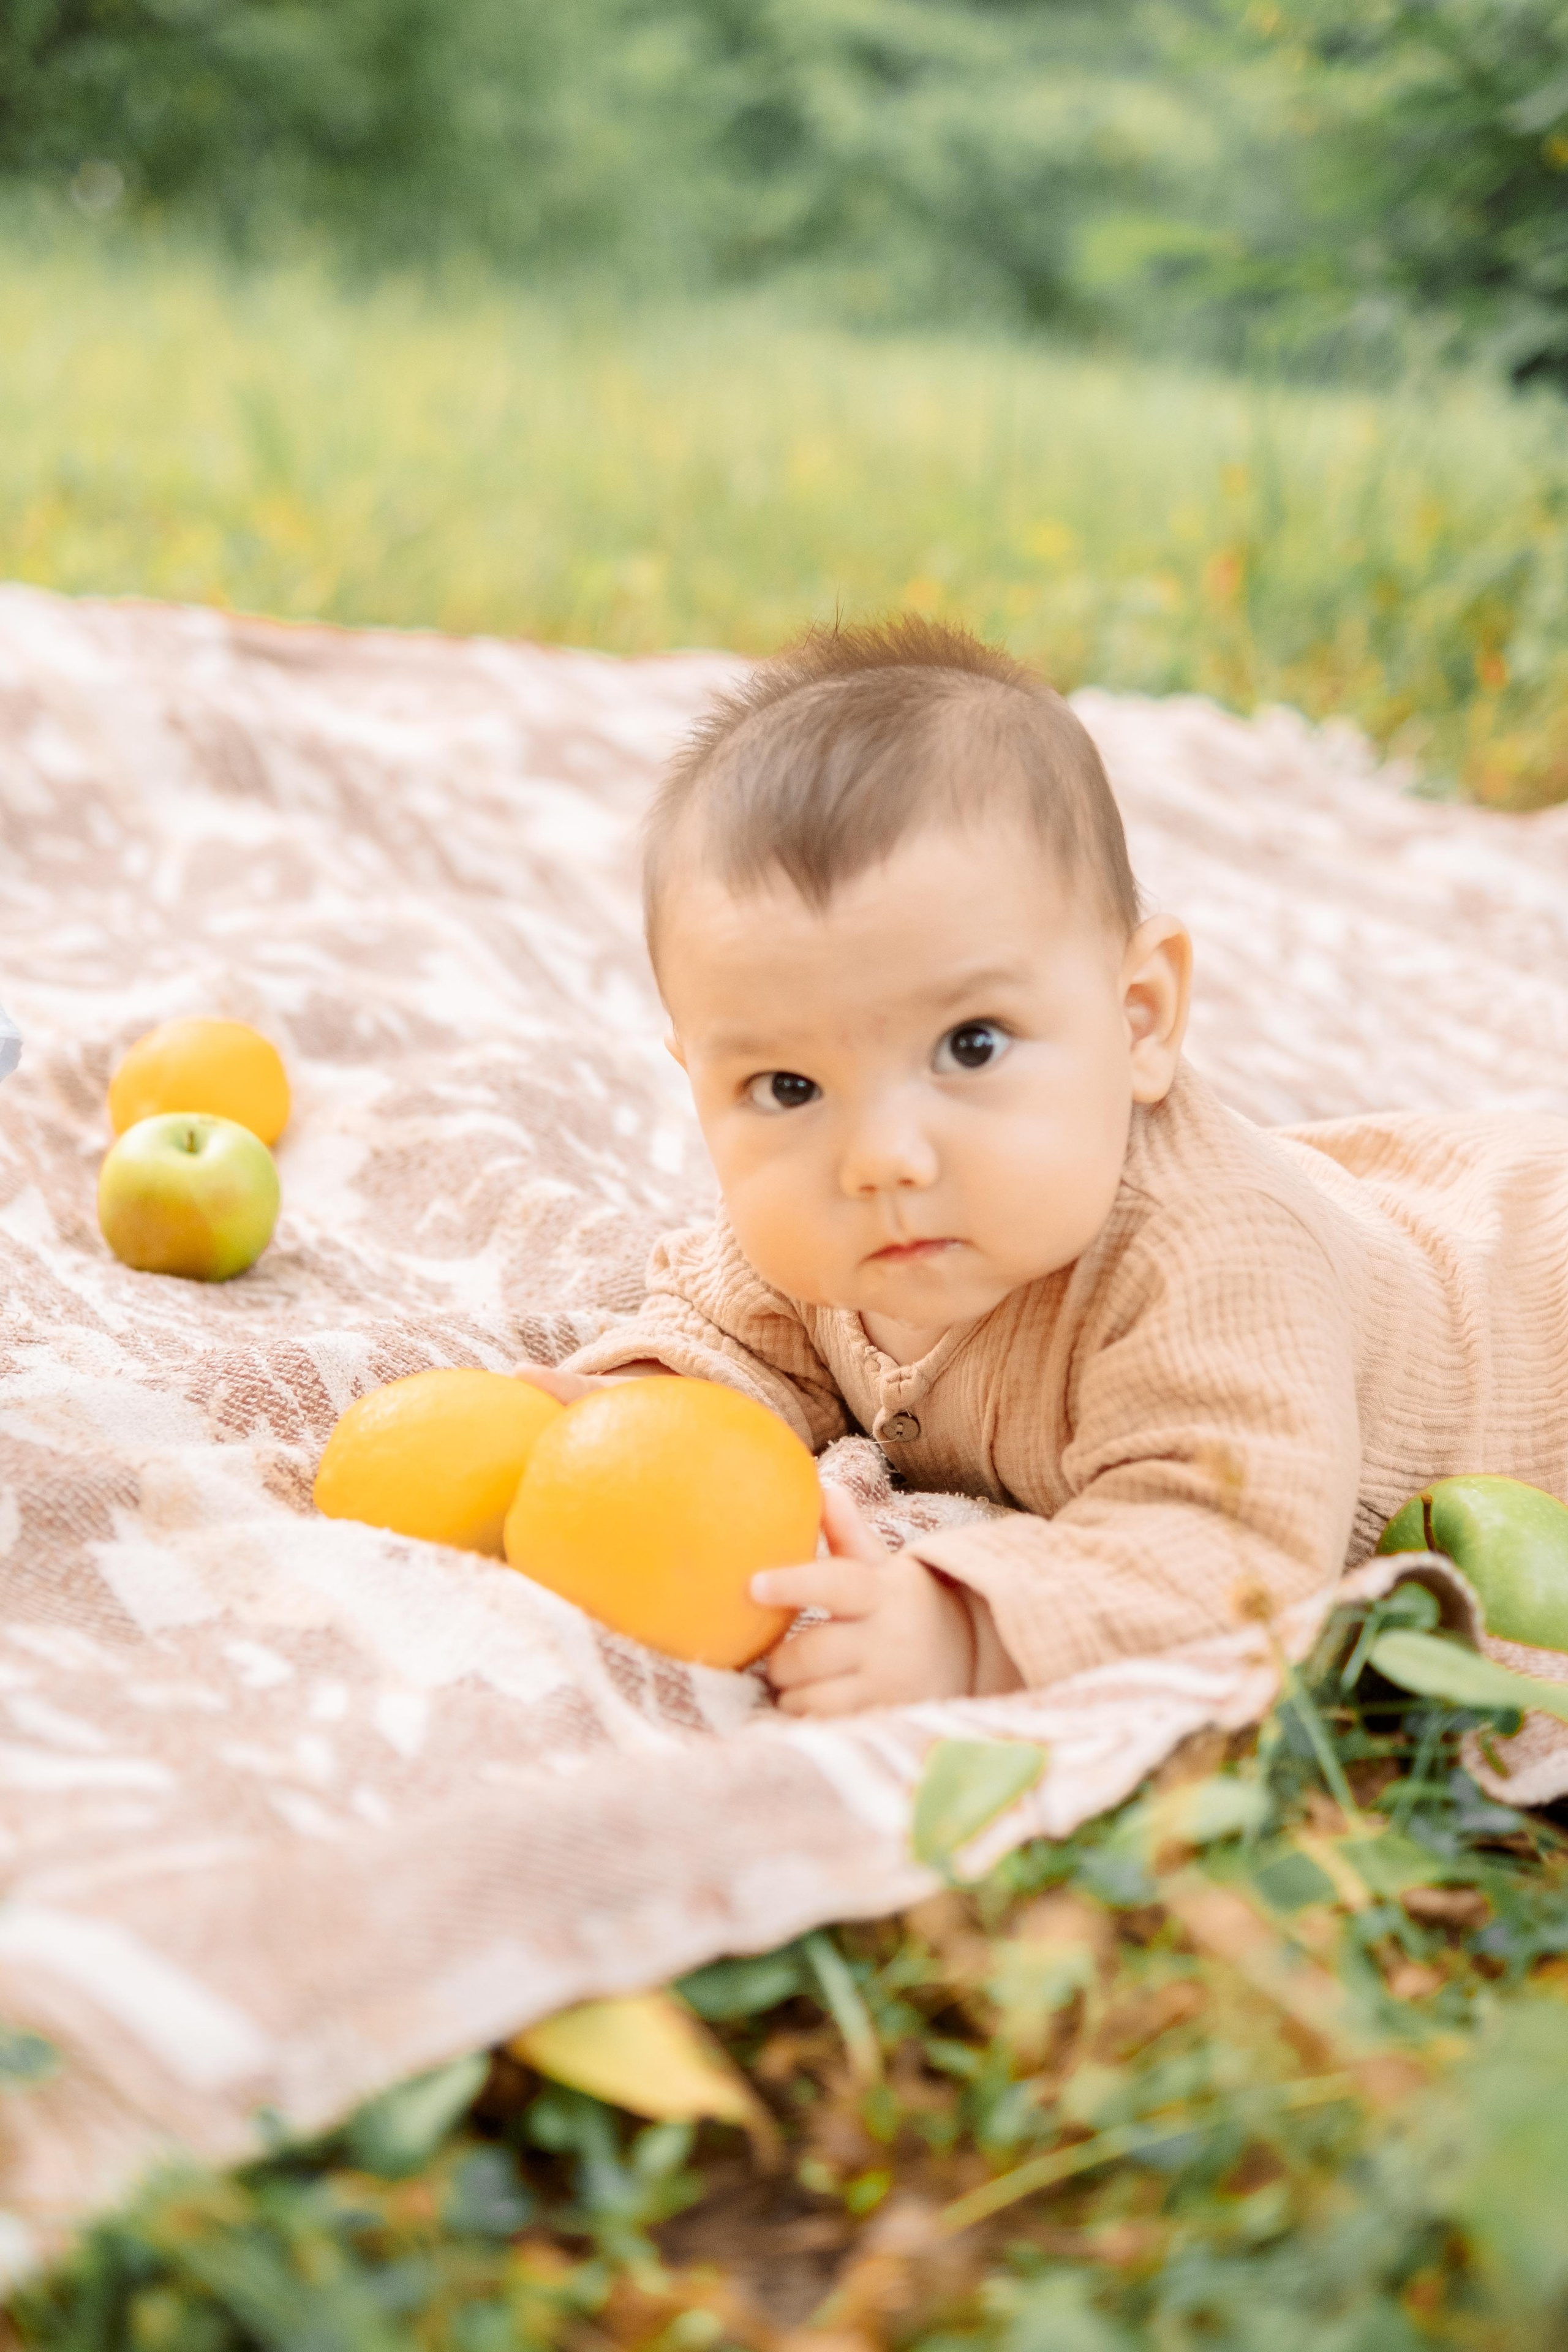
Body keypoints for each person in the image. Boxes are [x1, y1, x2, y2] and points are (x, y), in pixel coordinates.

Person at [515, 616, 1568, 1716]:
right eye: (788, 1088)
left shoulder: (1210, 1259)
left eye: (970, 1046)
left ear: (1140, 1017)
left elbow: (1228, 1548)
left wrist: (972, 1631)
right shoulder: (827, 1219)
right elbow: (735, 1328)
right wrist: (631, 1413)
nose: (880, 1157)